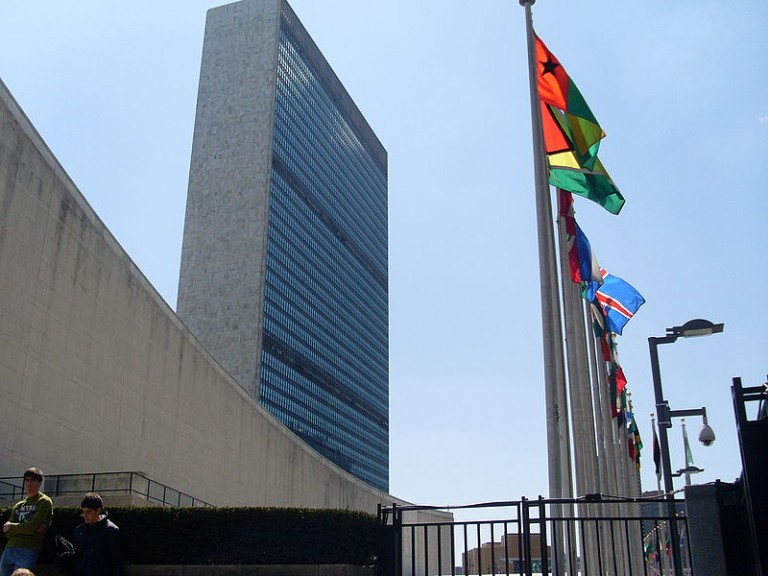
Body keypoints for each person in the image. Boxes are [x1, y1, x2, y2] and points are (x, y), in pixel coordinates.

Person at [0, 467, 53, 576]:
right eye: (27, 480)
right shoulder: (19, 504)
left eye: (33, 480)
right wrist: (21, 527)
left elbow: (32, 527)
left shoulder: (44, 501)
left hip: (28, 548)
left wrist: (13, 527)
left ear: (39, 483)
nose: (29, 483)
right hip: (10, 548)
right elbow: (7, 531)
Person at [72, 493, 121, 576]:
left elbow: (116, 562)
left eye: (88, 512)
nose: (85, 516)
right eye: (83, 512)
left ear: (98, 511)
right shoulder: (79, 530)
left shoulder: (110, 530)